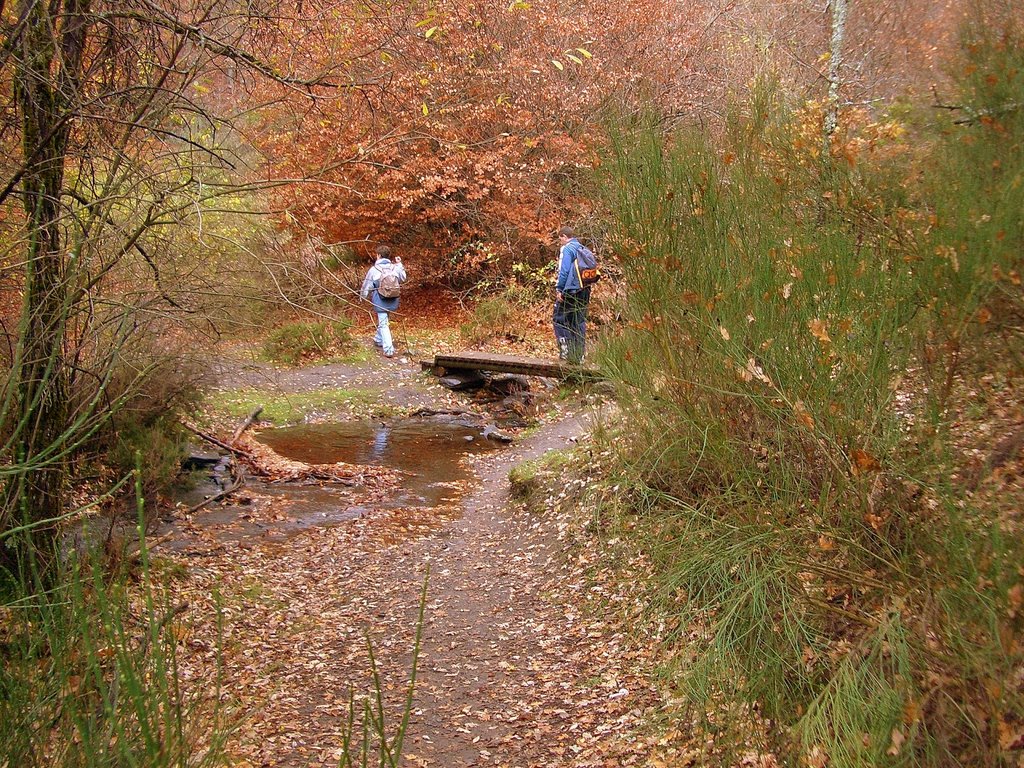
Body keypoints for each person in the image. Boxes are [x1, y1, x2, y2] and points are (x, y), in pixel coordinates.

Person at [553, 226, 592, 364]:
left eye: (560, 239)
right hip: (584, 290)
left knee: (559, 319)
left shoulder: (567, 249)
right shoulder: (582, 249)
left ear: (564, 236)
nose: (560, 242)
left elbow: (563, 271)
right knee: (578, 322)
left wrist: (559, 289)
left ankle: (566, 352)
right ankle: (579, 356)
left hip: (570, 291)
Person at [360, 245, 407, 357]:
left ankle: (388, 349)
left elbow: (367, 285)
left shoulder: (374, 269)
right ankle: (378, 339)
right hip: (393, 298)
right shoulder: (395, 267)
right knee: (384, 321)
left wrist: (363, 297)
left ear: (379, 256)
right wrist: (400, 264)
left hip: (380, 299)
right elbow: (403, 278)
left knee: (383, 324)